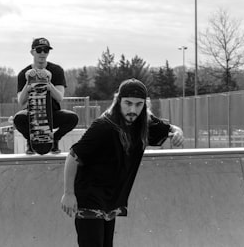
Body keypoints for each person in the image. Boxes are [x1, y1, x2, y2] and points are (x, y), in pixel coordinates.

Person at [61, 78, 184, 247]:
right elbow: (73, 156)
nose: (132, 110)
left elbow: (170, 129)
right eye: (128, 103)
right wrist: (68, 193)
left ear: (144, 105)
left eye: (138, 105)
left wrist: (178, 131)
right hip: (89, 198)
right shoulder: (103, 126)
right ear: (118, 101)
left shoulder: (143, 123)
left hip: (110, 201)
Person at [13, 37, 78, 154]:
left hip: (52, 114)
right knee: (18, 118)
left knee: (72, 118)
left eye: (46, 50)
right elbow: (21, 101)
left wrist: (48, 84)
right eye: (39, 50)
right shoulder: (24, 73)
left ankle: (54, 140)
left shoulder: (56, 70)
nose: (42, 53)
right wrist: (28, 84)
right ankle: (31, 142)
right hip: (32, 115)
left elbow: (59, 97)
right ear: (32, 52)